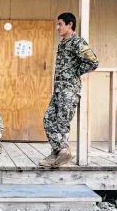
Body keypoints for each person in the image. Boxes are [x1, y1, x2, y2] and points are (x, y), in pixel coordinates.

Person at [39, 12, 99, 168]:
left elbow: (93, 61)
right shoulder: (63, 43)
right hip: (58, 90)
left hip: (69, 91)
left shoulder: (77, 42)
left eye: (60, 24)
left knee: (61, 124)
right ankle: (60, 151)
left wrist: (76, 72)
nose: (57, 27)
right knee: (48, 119)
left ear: (69, 25)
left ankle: (59, 152)